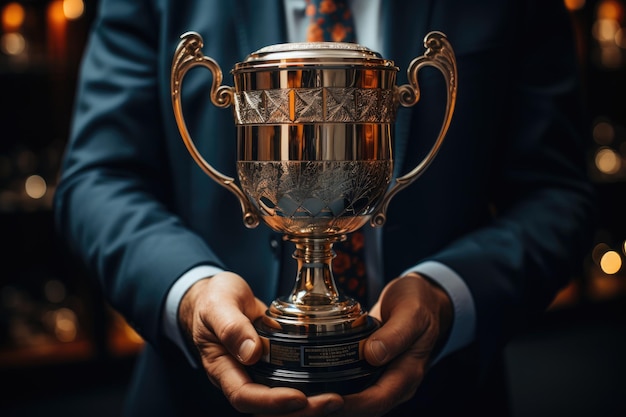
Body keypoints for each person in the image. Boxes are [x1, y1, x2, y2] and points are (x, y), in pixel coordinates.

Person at [53, 0, 595, 416]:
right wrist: (191, 291)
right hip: (195, 396)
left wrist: (447, 294)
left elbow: (557, 193)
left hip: (444, 390)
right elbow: (97, 177)